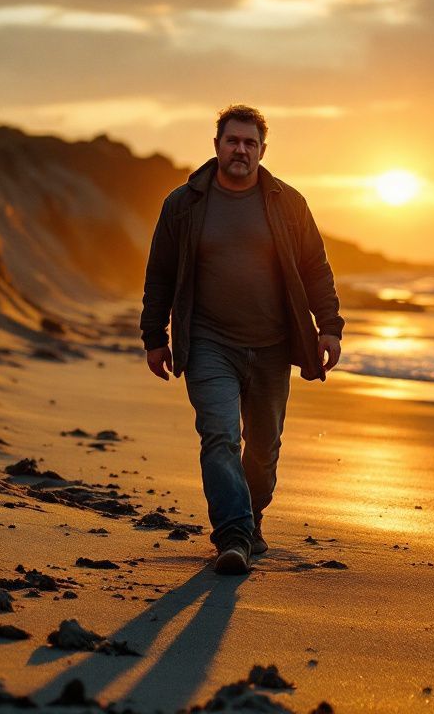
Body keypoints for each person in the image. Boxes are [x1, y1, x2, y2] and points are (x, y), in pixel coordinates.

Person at [140, 104, 344, 575]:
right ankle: (233, 536)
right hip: (209, 342)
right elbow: (160, 275)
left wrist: (329, 327)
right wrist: (155, 336)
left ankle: (251, 522)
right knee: (220, 437)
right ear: (216, 146)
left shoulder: (287, 203)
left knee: (263, 450)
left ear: (263, 150)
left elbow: (316, 269)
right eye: (233, 141)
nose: (241, 150)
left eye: (250, 143)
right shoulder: (184, 204)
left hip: (273, 346)